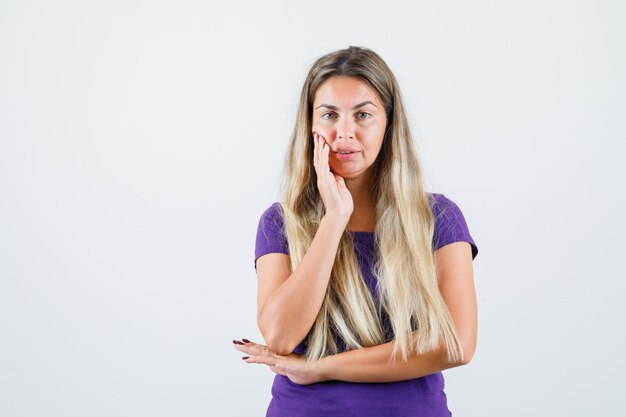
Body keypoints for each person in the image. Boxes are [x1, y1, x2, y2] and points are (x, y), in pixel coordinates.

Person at [232, 45, 479, 417]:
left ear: (389, 124)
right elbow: (281, 337)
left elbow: (456, 344)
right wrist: (334, 219)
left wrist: (319, 368)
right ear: (309, 125)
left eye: (363, 114)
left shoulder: (437, 217)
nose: (344, 132)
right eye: (329, 114)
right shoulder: (281, 221)